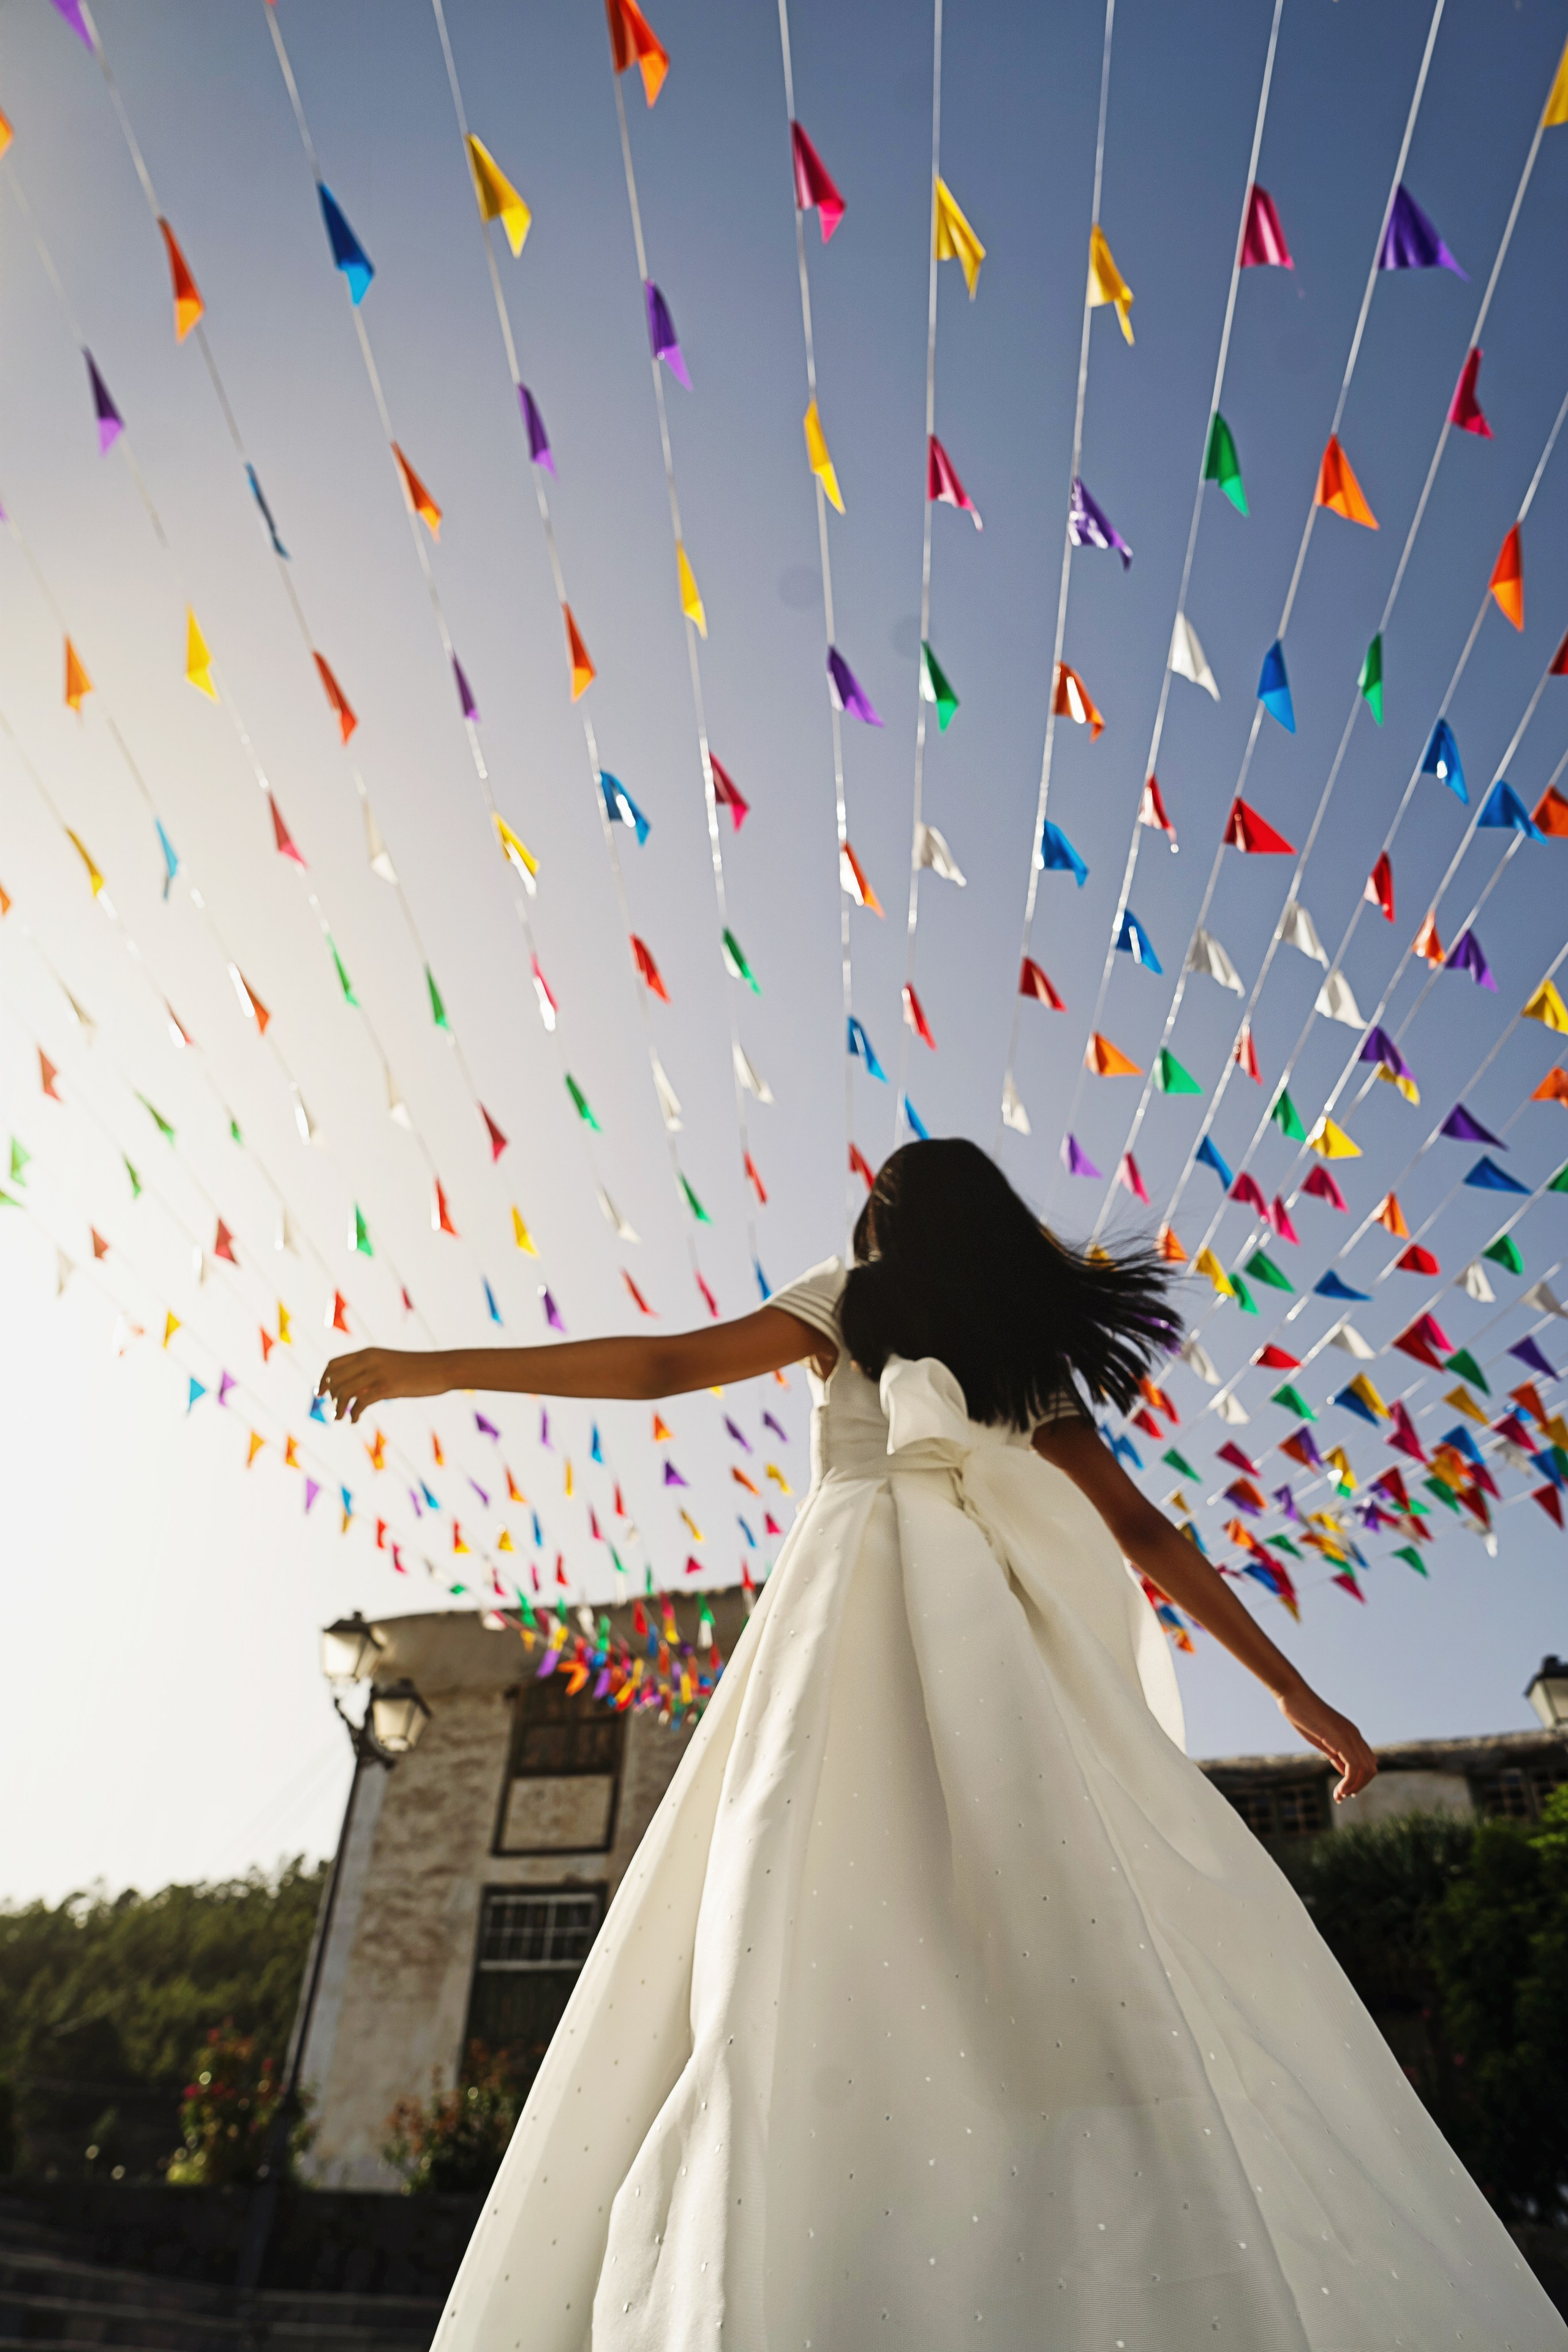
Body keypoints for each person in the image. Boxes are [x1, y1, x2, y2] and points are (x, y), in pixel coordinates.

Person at [319, 1139, 1564, 2350]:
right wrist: (1293, 1691)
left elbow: (661, 1364)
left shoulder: (852, 1298)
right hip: (1000, 1648)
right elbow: (1142, 1531)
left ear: (886, 1222)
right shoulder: (1025, 1351)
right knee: (1043, 1929)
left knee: (798, 1908)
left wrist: (440, 1367)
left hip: (847, 1612)